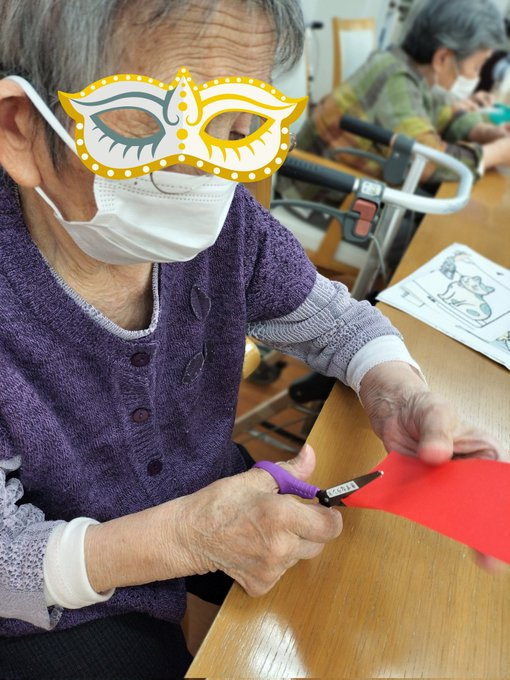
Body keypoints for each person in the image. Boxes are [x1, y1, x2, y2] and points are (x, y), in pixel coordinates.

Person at [0, 1, 505, 678]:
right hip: (52, 594)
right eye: (151, 125)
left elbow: (335, 321)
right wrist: (180, 540)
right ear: (22, 129)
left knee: (362, 595)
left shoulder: (229, 225)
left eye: (237, 129)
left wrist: (396, 392)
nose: (206, 176)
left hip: (200, 487)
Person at [297, 0, 510, 186]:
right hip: (315, 195)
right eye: (476, 67)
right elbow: (426, 163)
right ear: (442, 58)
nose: (476, 76)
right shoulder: (396, 80)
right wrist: (495, 154)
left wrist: (486, 133)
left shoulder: (409, 70)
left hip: (339, 183)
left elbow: (445, 114)